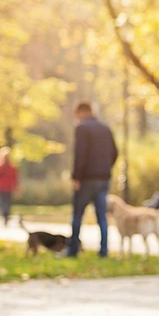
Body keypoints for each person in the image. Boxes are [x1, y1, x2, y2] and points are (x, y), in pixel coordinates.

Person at [67, 101, 118, 258]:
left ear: (81, 112)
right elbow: (115, 153)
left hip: (86, 179)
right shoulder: (105, 128)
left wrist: (76, 177)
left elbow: (80, 154)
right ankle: (104, 250)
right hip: (103, 179)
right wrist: (105, 169)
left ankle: (73, 249)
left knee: (77, 215)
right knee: (102, 216)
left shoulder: (82, 128)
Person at [0, 146, 19, 226]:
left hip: (7, 187)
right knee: (4, 202)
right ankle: (5, 215)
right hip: (2, 187)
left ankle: (5, 215)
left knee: (5, 203)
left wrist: (16, 187)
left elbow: (15, 178)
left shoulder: (11, 167)